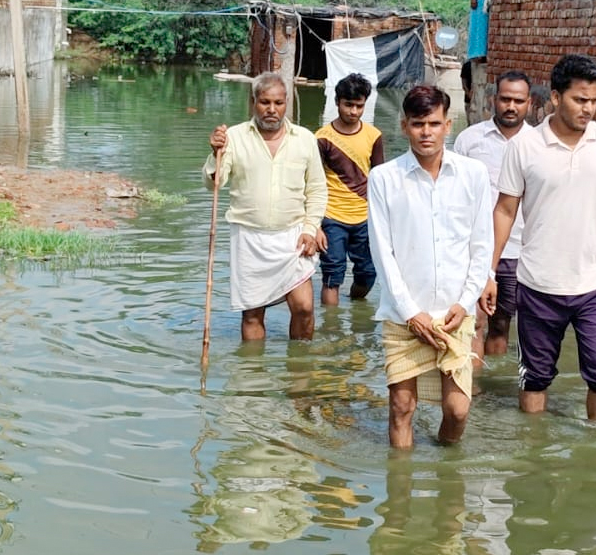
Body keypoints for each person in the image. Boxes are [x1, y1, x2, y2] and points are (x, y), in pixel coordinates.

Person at [485, 54, 596, 422]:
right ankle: (533, 454)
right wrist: (488, 272)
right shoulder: (524, 147)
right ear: (555, 98)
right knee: (535, 379)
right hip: (538, 283)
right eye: (579, 100)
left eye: (593, 101)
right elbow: (505, 210)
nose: (588, 109)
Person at [368, 85, 494, 448]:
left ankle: (445, 475)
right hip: (404, 314)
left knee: (457, 410)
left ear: (448, 125)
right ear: (404, 126)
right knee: (401, 406)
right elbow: (383, 252)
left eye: (434, 124)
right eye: (419, 124)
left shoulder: (473, 174)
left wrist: (465, 302)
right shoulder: (384, 179)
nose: (427, 132)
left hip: (456, 312)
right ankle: (401, 495)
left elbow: (481, 245)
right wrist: (410, 312)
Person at [205, 72, 327, 341]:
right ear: (253, 103)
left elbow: (317, 189)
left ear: (287, 104)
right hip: (249, 237)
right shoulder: (234, 137)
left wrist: (311, 228)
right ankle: (252, 377)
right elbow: (216, 183)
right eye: (265, 102)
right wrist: (216, 153)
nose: (272, 109)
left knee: (304, 307)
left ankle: (300, 371)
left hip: (293, 235)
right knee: (252, 314)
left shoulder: (305, 138)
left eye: (279, 103)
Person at [452, 70, 536, 364]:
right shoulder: (469, 140)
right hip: (472, 249)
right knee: (473, 322)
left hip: (517, 251)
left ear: (529, 103)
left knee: (500, 324)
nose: (511, 106)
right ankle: (470, 392)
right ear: (493, 99)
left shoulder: (537, 144)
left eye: (518, 100)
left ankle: (491, 396)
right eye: (505, 99)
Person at [315, 73, 385, 307]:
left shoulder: (373, 136)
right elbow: (311, 183)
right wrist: (315, 225)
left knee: (368, 273)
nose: (353, 111)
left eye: (359, 106)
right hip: (332, 217)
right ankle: (330, 330)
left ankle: (355, 308)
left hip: (365, 218)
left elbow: (380, 179)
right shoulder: (322, 138)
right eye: (348, 105)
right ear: (337, 102)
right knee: (332, 276)